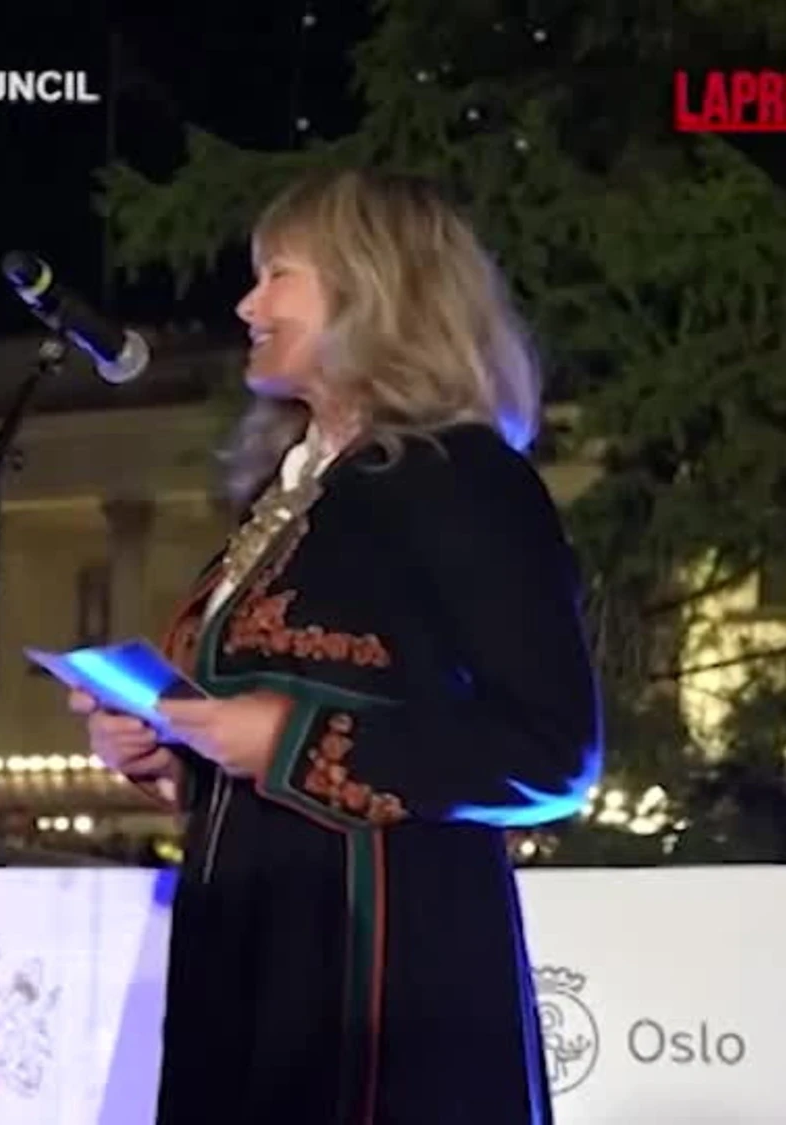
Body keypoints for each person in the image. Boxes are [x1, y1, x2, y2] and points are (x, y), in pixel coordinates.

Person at [70, 167, 602, 1122]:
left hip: (386, 973)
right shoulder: (288, 492)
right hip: (249, 948)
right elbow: (278, 723)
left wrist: (289, 737)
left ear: (373, 291)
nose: (247, 303)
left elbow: (551, 751)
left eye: (279, 275)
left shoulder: (464, 478)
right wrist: (173, 751)